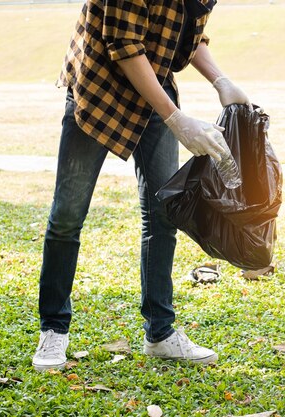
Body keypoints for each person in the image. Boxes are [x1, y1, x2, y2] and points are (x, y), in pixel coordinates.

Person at [32, 0, 251, 371]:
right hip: (99, 91)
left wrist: (221, 80)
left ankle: (160, 333)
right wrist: (178, 120)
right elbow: (125, 46)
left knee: (162, 214)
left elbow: (188, 36)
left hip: (153, 93)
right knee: (68, 215)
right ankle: (53, 328)